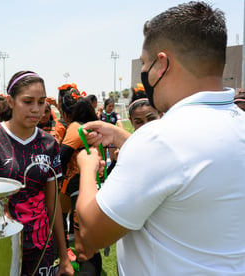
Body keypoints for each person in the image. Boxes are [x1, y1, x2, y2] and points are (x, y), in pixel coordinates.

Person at [75, 2, 245, 275]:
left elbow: (92, 234)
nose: (145, 72)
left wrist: (87, 169)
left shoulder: (162, 139)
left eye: (144, 63)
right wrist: (124, 138)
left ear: (162, 64)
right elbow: (189, 173)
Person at [0, 71, 74, 276]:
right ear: (11, 101)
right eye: (28, 101)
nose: (36, 109)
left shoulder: (49, 143)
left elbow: (53, 205)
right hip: (0, 242)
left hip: (40, 245)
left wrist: (63, 255)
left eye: (41, 101)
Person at [59, 95, 102, 275]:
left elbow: (63, 154)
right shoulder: (96, 127)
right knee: (91, 240)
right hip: (93, 182)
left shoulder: (75, 127)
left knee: (84, 246)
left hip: (78, 182)